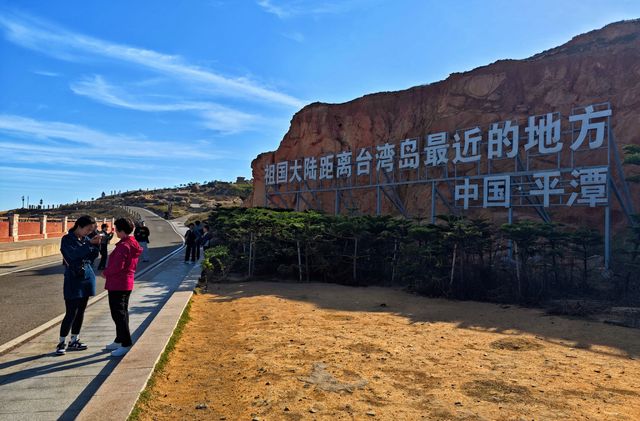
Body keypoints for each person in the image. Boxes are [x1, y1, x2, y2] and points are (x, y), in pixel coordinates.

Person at [57, 215, 101, 355]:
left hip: (87, 276)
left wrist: (96, 245)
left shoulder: (86, 239)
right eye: (88, 229)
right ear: (79, 226)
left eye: (91, 230)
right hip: (73, 278)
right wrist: (88, 245)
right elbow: (72, 255)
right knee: (71, 311)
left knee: (81, 311)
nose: (89, 233)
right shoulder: (67, 239)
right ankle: (61, 342)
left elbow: (92, 257)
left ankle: (74, 340)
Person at [103, 217, 142, 357]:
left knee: (118, 314)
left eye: (116, 229)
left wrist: (105, 272)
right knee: (122, 312)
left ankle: (125, 343)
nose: (115, 231)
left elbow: (117, 266)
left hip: (118, 283)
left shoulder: (123, 246)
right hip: (126, 282)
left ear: (121, 230)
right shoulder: (132, 243)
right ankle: (119, 339)